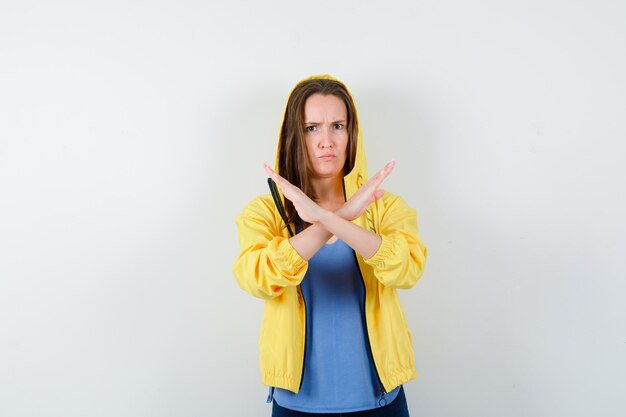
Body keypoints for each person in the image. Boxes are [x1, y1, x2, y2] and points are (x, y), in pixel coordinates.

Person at [232, 75, 427, 417]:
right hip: (296, 406)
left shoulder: (383, 206)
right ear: (296, 135)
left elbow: (407, 269)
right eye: (312, 128)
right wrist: (334, 220)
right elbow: (256, 278)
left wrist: (333, 218)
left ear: (352, 134)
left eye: (337, 126)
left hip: (380, 402)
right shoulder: (264, 212)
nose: (326, 141)